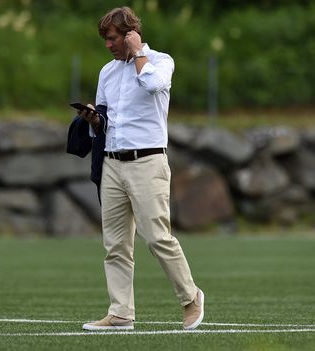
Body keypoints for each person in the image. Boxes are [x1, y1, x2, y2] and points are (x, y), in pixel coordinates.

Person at [75, 6, 204, 331]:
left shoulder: (161, 62)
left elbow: (151, 85)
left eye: (114, 38)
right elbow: (106, 122)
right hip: (113, 165)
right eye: (106, 39)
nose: (108, 44)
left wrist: (138, 54)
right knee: (115, 244)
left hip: (148, 162)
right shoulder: (107, 72)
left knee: (158, 237)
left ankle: (191, 299)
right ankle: (120, 313)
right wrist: (93, 120)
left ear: (131, 35)